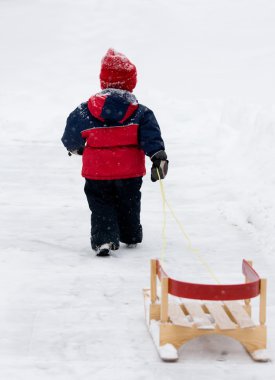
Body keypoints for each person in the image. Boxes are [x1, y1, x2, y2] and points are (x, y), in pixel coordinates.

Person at [61, 48, 168, 256]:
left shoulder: (84, 111)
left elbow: (70, 136)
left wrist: (76, 148)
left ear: (103, 81)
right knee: (129, 201)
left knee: (101, 204)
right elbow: (151, 137)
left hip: (97, 173)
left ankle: (104, 239)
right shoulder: (140, 113)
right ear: (131, 82)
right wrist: (158, 157)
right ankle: (130, 235)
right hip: (129, 172)